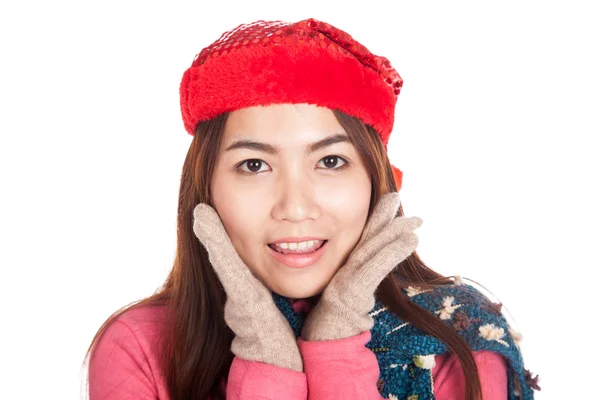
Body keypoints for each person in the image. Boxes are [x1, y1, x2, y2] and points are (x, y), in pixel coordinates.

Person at [84, 18, 539, 400]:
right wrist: (265, 359)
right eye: (254, 164)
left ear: (376, 183)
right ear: (205, 190)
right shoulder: (140, 345)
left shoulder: (457, 337)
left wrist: (338, 346)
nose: (295, 207)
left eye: (331, 161)